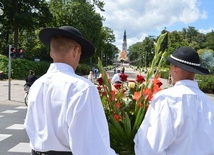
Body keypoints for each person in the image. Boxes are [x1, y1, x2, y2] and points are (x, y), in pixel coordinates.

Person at [24, 26, 116, 155]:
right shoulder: (82, 88)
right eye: (80, 54)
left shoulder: (37, 85)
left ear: (51, 52)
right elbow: (91, 145)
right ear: (75, 51)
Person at [134, 46, 214, 155]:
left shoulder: (166, 99)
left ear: (175, 68)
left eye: (170, 67)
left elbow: (150, 148)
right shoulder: (208, 103)